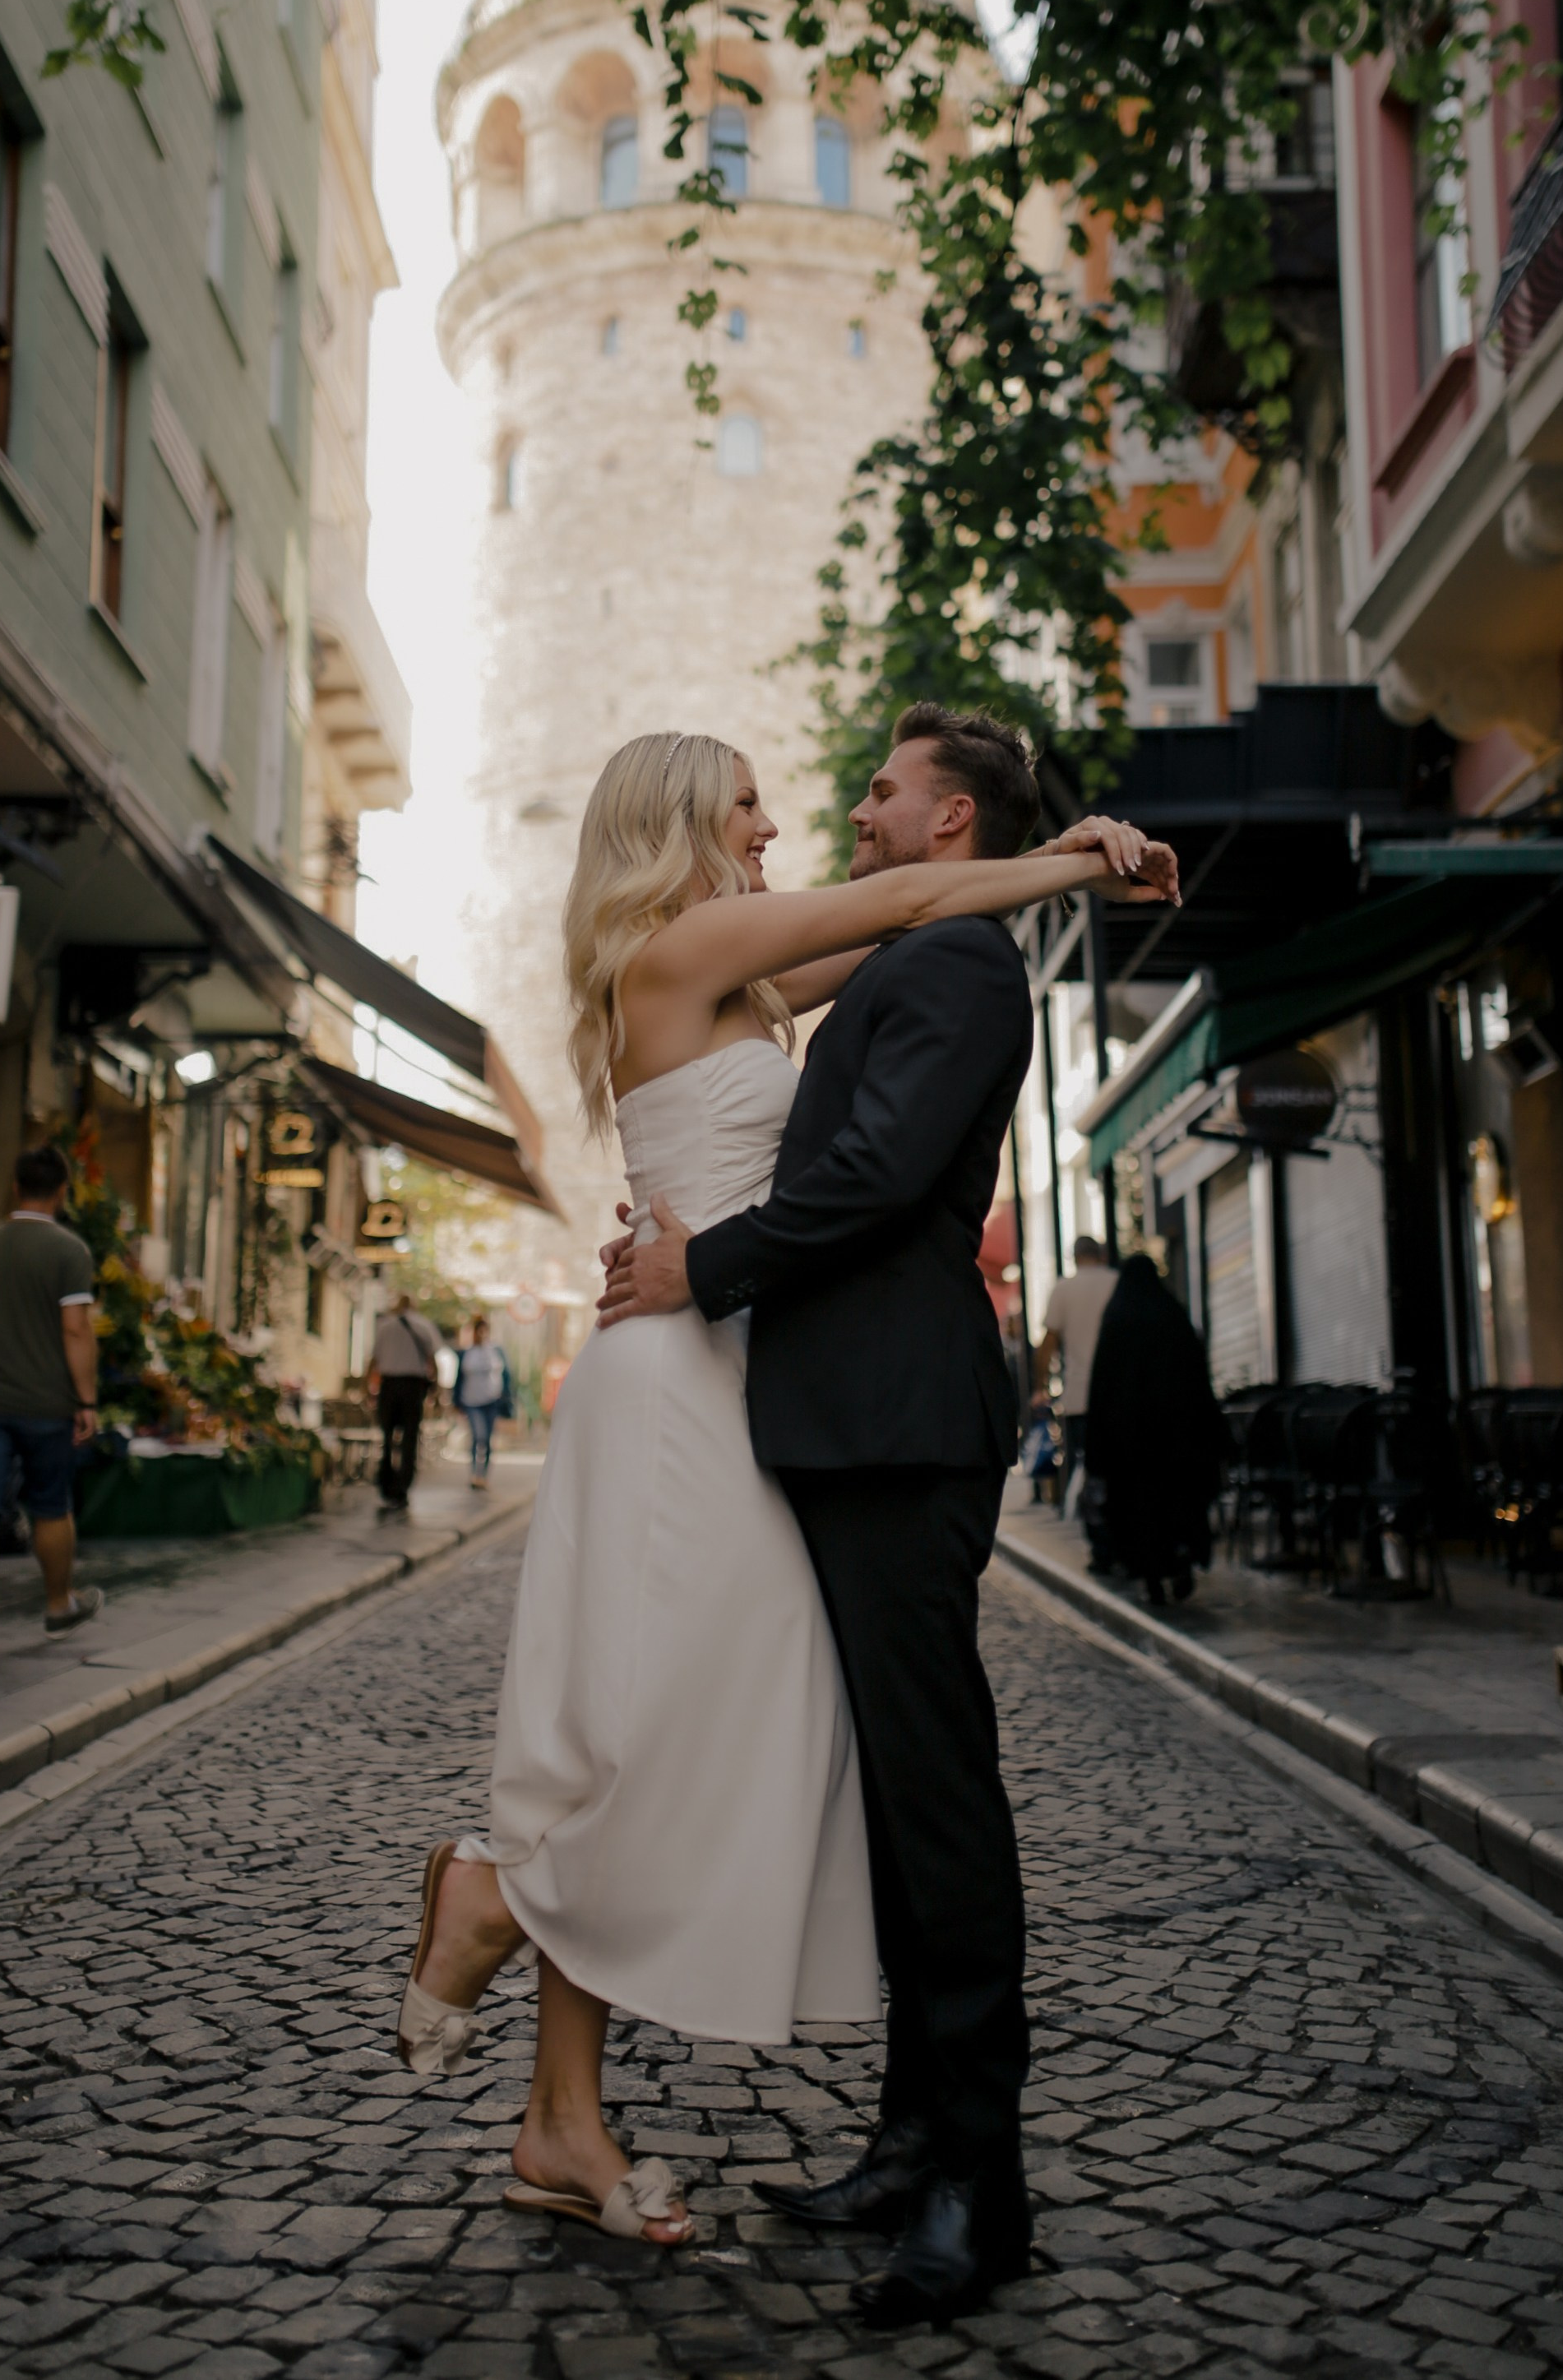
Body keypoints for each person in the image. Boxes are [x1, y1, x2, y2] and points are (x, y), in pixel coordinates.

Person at [394, 720, 1175, 2276]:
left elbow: (901, 944)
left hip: (764, 1381)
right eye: (752, 804)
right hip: (697, 1383)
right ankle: (510, 1907)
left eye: (855, 796)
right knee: (661, 1711)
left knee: (730, 1722)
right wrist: (1078, 850)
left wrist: (1041, 861)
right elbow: (891, 913)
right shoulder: (695, 946)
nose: (790, 825)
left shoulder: (752, 971)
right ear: (683, 821)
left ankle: (586, 2043)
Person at [0, 1144, 104, 1665]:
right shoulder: (68, 1251)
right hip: (46, 1405)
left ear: (15, 1188)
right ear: (62, 1192)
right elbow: (76, 1330)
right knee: (51, 1506)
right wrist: (86, 1400)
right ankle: (58, 1606)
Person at [1085, 1253, 1228, 1605]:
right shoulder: (1173, 1315)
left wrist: (1097, 1448)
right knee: (1177, 1507)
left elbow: (1102, 1387)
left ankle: (1151, 1578)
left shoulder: (1116, 1319)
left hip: (1130, 1446)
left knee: (1140, 1512)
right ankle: (1181, 1563)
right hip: (1177, 1442)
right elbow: (1198, 1381)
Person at [1036, 1234, 1118, 1534]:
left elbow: (1048, 1343)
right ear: (1100, 1255)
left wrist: (1039, 1387)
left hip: (1079, 1396)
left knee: (1088, 1466)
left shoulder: (1063, 1289)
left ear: (1074, 1256)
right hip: (1116, 1396)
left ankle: (1094, 1530)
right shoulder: (1116, 1282)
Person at [370, 1295, 442, 1513]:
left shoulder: (384, 1327)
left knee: (387, 1437)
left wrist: (368, 1388)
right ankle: (403, 1485)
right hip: (412, 1387)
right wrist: (436, 1388)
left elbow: (373, 1360)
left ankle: (386, 1483)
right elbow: (432, 1360)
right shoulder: (423, 1326)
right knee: (410, 1438)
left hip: (389, 1385)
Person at [452, 1314, 511, 1489]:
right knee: (479, 1436)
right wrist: (457, 1401)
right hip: (472, 1401)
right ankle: (473, 1474)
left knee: (488, 1440)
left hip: (492, 1400)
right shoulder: (467, 1353)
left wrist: (506, 1398)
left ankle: (483, 1475)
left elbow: (506, 1376)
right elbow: (459, 1378)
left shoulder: (496, 1351)